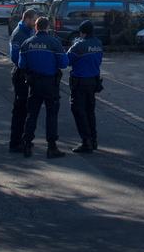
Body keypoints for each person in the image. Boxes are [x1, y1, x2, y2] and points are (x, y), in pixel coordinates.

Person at [15, 17, 69, 159]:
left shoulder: (27, 43)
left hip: (34, 83)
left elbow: (21, 65)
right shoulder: (54, 43)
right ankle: (51, 147)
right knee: (51, 115)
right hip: (50, 83)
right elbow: (64, 63)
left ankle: (27, 144)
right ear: (47, 27)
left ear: (36, 27)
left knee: (32, 114)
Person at [66, 20, 104, 154]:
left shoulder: (79, 46)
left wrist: (73, 45)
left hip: (80, 82)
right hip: (93, 82)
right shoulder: (98, 43)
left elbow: (66, 61)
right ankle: (93, 140)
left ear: (83, 32)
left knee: (78, 111)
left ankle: (86, 142)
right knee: (90, 112)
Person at [7, 9, 38, 154]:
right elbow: (15, 57)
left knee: (26, 109)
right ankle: (15, 143)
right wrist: (27, 66)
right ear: (27, 19)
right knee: (20, 110)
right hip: (21, 75)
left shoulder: (29, 31)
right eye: (34, 20)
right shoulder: (19, 34)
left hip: (27, 74)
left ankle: (22, 141)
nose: (35, 23)